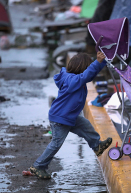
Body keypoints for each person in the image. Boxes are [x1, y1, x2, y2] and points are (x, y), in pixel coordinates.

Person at [30, 51, 112, 179]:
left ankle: (97, 146)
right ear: (82, 68)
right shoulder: (72, 80)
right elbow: (86, 76)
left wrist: (101, 63)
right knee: (56, 143)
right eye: (88, 67)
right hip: (60, 118)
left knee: (86, 126)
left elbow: (88, 75)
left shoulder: (72, 78)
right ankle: (38, 166)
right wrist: (97, 62)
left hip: (68, 116)